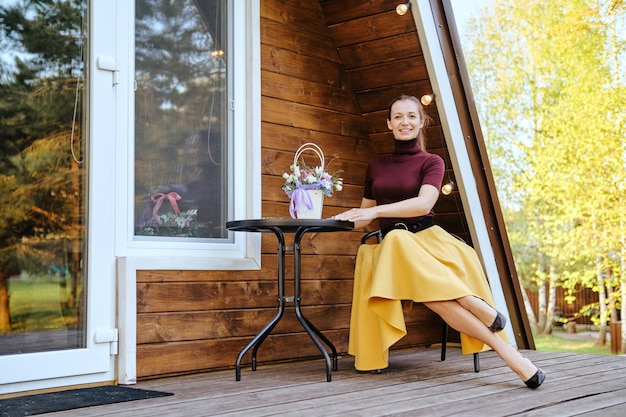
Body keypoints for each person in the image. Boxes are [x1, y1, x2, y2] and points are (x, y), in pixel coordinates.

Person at [333, 95, 545, 389]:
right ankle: (499, 340)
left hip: (427, 241)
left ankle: (505, 350)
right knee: (396, 240)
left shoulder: (432, 161)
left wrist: (376, 211)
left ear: (421, 122)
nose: (404, 122)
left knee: (429, 288)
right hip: (391, 248)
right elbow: (364, 216)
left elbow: (423, 204)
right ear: (389, 124)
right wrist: (329, 217)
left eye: (411, 116)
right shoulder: (376, 166)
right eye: (397, 117)